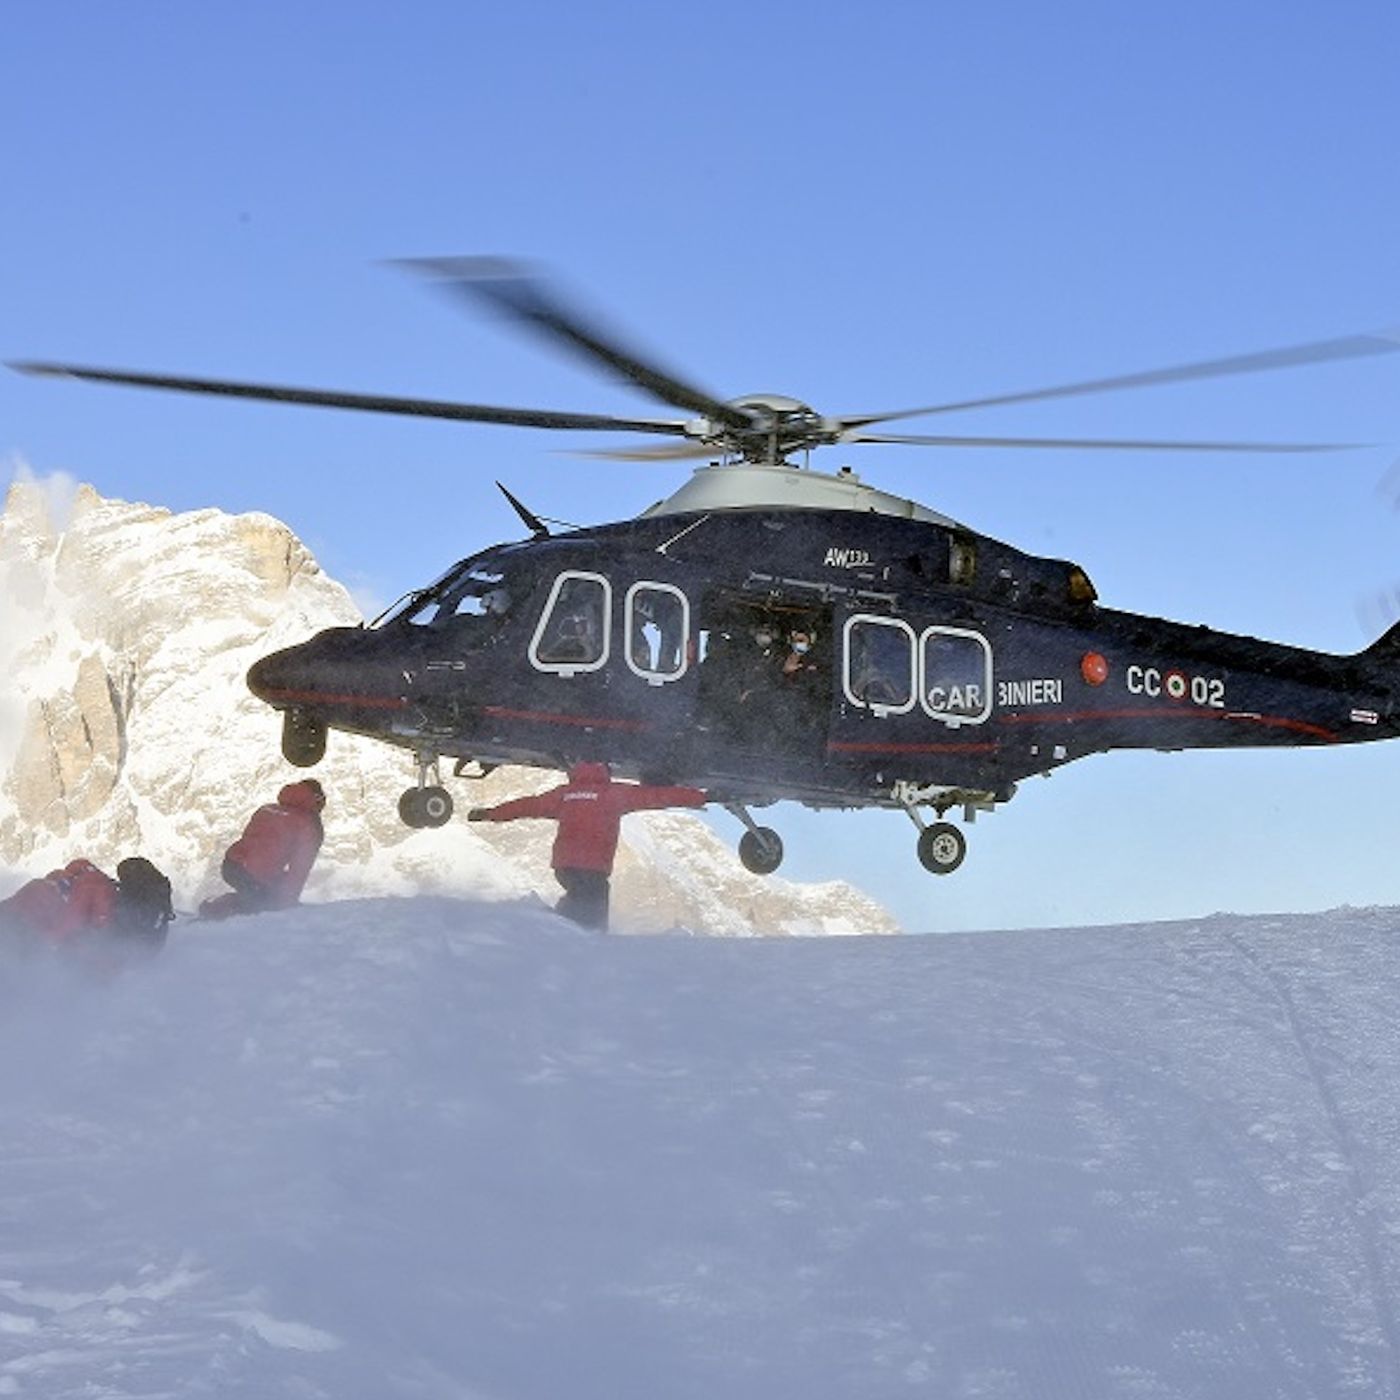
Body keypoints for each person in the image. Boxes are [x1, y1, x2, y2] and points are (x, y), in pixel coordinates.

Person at [468, 763, 707, 931]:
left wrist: (490, 814)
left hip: (565, 868)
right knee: (592, 920)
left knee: (578, 904)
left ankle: (551, 925)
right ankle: (555, 932)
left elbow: (528, 806)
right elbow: (659, 796)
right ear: (605, 770)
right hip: (593, 869)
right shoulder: (614, 794)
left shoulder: (565, 794)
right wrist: (702, 797)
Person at [198, 778, 326, 921]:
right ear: (317, 800)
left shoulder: (267, 809)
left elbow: (251, 840)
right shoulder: (309, 825)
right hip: (254, 874)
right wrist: (286, 903)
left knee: (257, 895)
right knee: (263, 908)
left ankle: (217, 906)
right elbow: (299, 869)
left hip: (231, 864)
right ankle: (217, 912)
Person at [0, 854, 173, 953]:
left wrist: (44, 944)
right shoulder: (151, 906)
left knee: (35, 894)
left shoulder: (90, 884)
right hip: (141, 947)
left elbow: (76, 924)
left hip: (110, 954)